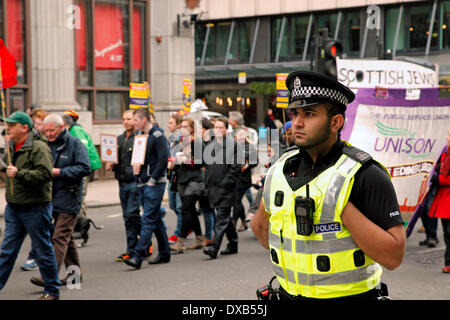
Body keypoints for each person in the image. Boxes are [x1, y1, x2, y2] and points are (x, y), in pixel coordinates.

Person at [251, 71, 405, 300]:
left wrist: (337, 205)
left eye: (310, 113)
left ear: (336, 122)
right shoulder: (279, 169)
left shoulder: (365, 173)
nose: (297, 122)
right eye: (295, 113)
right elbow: (263, 235)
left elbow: (393, 256)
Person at [0, 111, 60, 300]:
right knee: (7, 251)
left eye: (11, 126)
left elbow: (44, 175)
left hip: (35, 207)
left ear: (24, 128)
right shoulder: (11, 145)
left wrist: (19, 174)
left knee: (42, 250)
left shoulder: (39, 147)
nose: (7, 129)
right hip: (14, 206)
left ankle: (52, 290)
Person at [30, 114, 91, 288]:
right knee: (67, 238)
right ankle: (74, 278)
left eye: (52, 130)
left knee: (59, 237)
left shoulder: (74, 143)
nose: (48, 133)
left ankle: (48, 276)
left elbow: (85, 167)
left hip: (69, 196)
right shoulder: (45, 143)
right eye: (46, 130)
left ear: (61, 127)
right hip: (51, 196)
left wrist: (60, 172)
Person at [124, 108, 170, 270]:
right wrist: (137, 169)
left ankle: (138, 255)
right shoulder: (140, 136)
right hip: (143, 182)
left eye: (135, 120)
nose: (133, 123)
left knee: (148, 219)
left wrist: (152, 180)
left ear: (144, 120)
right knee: (155, 219)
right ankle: (165, 252)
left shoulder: (158, 136)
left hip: (154, 183)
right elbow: (140, 158)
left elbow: (163, 160)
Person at [105, 110, 142, 262]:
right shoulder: (119, 139)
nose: (126, 121)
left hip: (134, 181)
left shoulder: (140, 138)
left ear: (135, 120)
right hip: (122, 182)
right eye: (124, 119)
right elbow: (113, 160)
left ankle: (139, 246)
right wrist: (110, 163)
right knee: (128, 217)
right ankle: (134, 248)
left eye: (129, 119)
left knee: (132, 214)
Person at [203, 117, 241, 259]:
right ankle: (233, 242)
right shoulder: (210, 145)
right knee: (224, 217)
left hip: (226, 188)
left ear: (226, 129)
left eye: (221, 128)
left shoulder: (234, 146)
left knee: (222, 217)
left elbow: (235, 167)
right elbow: (208, 167)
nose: (218, 130)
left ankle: (214, 247)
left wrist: (227, 183)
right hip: (213, 187)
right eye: (216, 128)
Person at [170, 118, 206, 253]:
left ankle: (180, 242)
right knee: (190, 210)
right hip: (182, 180)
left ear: (192, 128)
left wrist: (186, 160)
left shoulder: (197, 142)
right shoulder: (179, 143)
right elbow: (174, 159)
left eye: (186, 126)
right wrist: (173, 164)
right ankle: (199, 238)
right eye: (182, 126)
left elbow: (202, 162)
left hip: (195, 180)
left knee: (185, 208)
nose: (183, 128)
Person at [62, 110, 102, 217]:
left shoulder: (76, 130)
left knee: (80, 197)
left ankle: (81, 224)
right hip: (80, 167)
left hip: (82, 169)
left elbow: (82, 150)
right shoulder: (74, 130)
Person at [427, 128, 450, 273]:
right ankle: (449, 263)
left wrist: (440, 178)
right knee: (448, 234)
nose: (448, 138)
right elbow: (438, 169)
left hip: (446, 198)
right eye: (448, 134)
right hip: (444, 200)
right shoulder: (445, 154)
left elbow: (442, 176)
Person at [232, 128, 257, 232]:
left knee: (236, 200)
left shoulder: (250, 147)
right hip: (233, 177)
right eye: (239, 134)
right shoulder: (233, 147)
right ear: (236, 136)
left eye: (243, 134)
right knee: (237, 201)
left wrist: (248, 165)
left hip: (244, 178)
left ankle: (234, 221)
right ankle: (243, 221)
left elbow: (255, 161)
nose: (241, 136)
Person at [166, 113, 183, 245]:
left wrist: (175, 161)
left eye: (171, 123)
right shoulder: (171, 138)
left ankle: (179, 232)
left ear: (178, 124)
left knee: (179, 205)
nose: (168, 125)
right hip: (171, 174)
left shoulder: (183, 138)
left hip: (180, 175)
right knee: (172, 204)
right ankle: (186, 225)